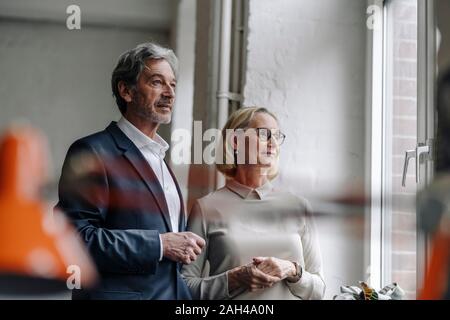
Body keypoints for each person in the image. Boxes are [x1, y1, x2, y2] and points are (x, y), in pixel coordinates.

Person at [55, 42, 205, 300]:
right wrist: (159, 245)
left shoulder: (159, 159)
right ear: (126, 91)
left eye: (173, 84)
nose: (169, 93)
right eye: (157, 82)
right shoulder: (92, 151)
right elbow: (74, 239)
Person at [182, 107, 325, 300]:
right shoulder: (206, 208)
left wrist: (293, 270)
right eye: (264, 134)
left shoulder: (299, 207)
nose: (273, 143)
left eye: (277, 136)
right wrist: (234, 279)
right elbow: (184, 287)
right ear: (235, 141)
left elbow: (319, 291)